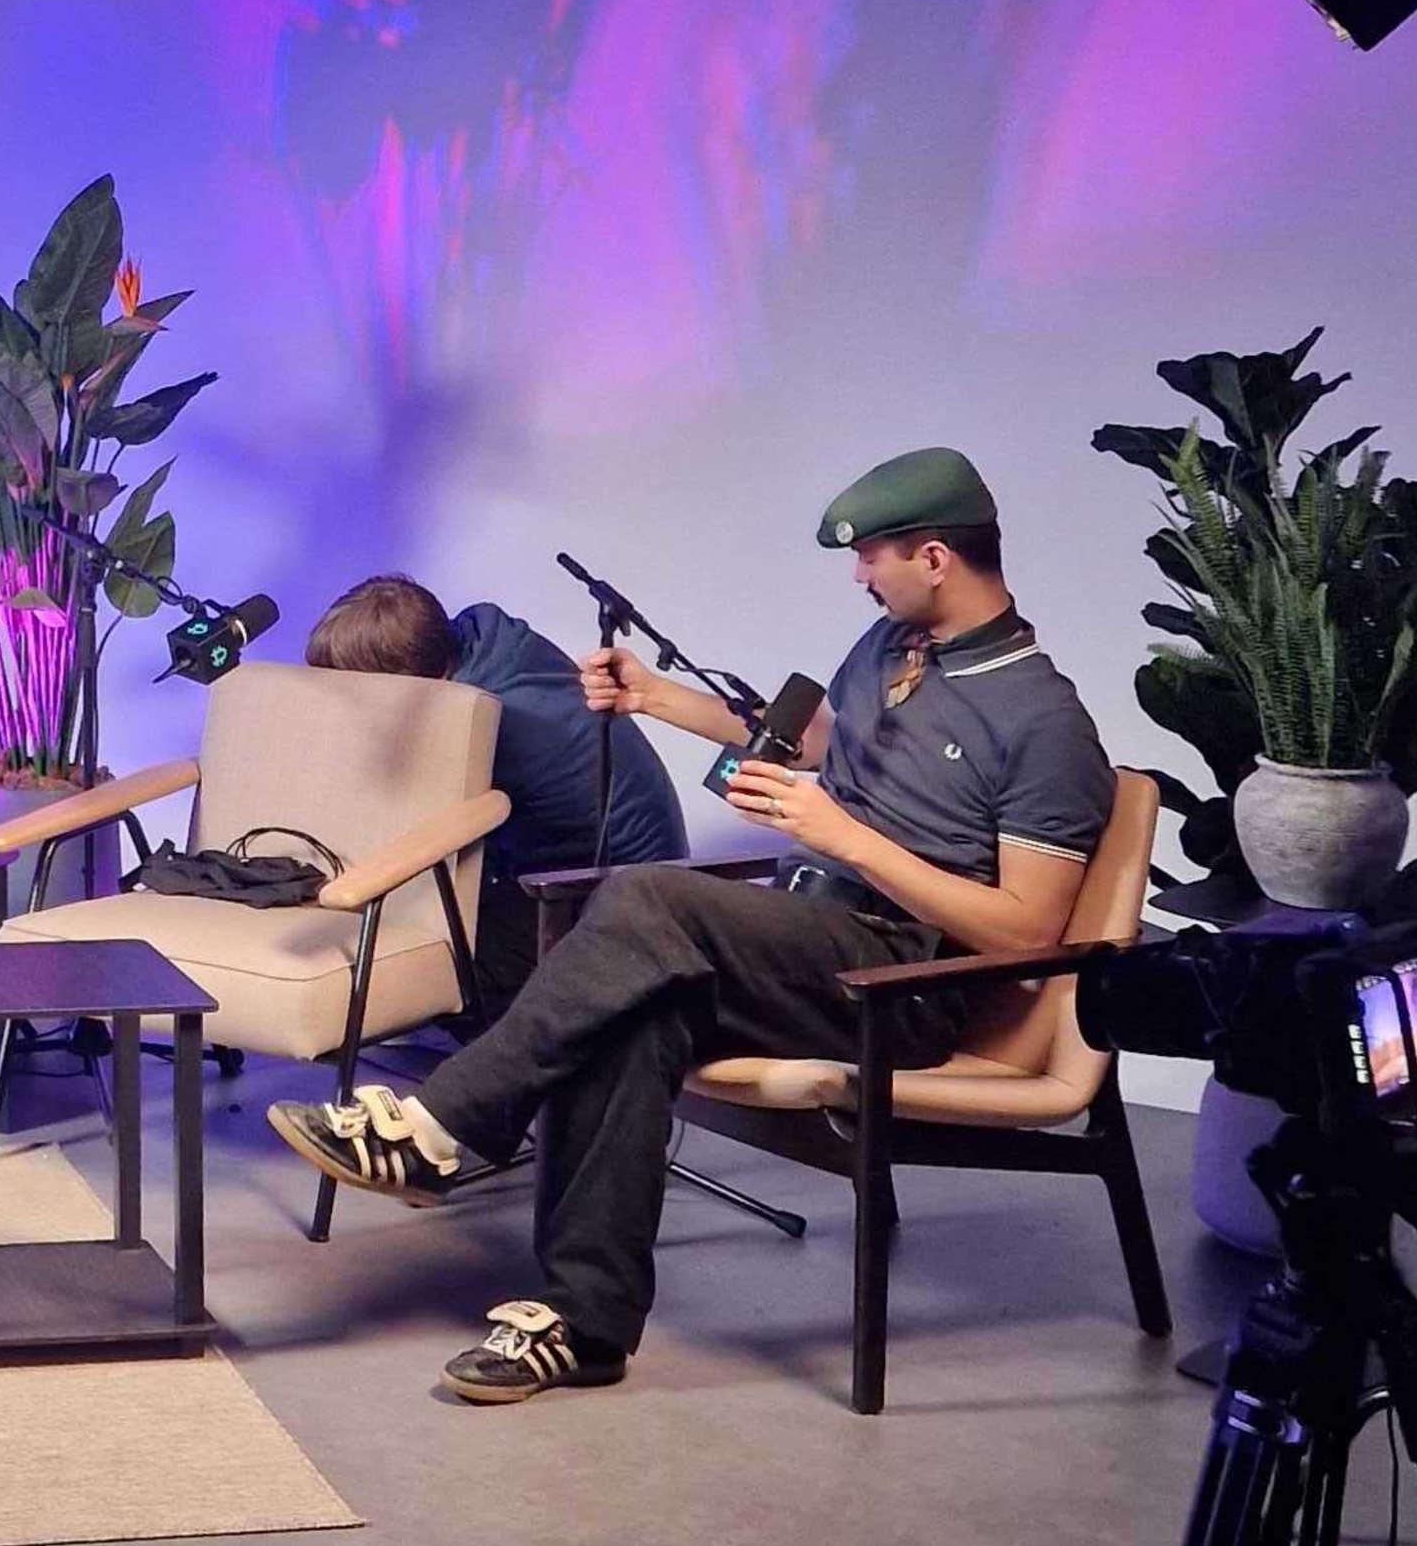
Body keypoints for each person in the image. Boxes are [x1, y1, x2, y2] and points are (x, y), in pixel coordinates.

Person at [273, 448, 1115, 1410]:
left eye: (873, 555)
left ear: (934, 557)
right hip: (807, 939)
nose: (858, 575)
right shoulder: (891, 649)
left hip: (907, 983)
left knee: (640, 897)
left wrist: (847, 837)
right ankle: (583, 1325)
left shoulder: (1046, 723)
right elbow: (823, 746)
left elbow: (1022, 934)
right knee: (629, 1015)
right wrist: (659, 700)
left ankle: (436, 1126)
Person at [297, 570, 687, 1010]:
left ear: (403, 681)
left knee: (424, 949)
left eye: (355, 689)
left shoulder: (482, 721)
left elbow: (418, 834)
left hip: (610, 897)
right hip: (640, 866)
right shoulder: (485, 643)